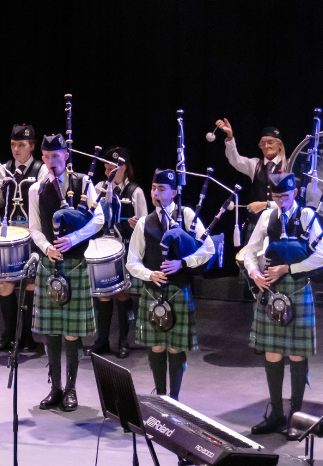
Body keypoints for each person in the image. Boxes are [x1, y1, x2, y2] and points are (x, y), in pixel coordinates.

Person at [240, 174, 323, 435]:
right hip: (270, 287)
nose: (281, 202)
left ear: (296, 192)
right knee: (272, 352)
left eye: (285, 196)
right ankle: (277, 415)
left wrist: (289, 268)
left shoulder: (307, 217)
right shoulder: (268, 217)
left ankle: (297, 418)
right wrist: (254, 273)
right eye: (276, 197)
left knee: (296, 354)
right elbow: (251, 250)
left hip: (297, 287)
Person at [27, 135, 104, 412]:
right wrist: (47, 247)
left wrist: (74, 239)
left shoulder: (83, 183)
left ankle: (71, 389)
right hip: (50, 264)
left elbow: (99, 219)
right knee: (51, 332)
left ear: (66, 155)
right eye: (46, 157)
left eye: (55, 157)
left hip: (74, 263)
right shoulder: (36, 189)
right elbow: (34, 227)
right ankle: (55, 388)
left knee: (72, 333)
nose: (50, 163)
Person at [126, 169, 215, 400]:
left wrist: (182, 263)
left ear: (174, 192)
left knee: (175, 347)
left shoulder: (187, 216)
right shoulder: (144, 222)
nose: (155, 193)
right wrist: (149, 274)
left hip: (178, 290)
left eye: (162, 189)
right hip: (152, 290)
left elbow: (208, 249)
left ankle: (174, 398)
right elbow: (132, 261)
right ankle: (161, 396)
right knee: (156, 347)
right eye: (154, 188)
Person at [0, 124, 44, 355]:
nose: (16, 149)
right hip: (10, 231)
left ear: (32, 146)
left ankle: (27, 336)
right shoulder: (5, 169)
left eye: (21, 145)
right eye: (13, 144)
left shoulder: (41, 170)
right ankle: (9, 336)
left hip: (33, 233)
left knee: (30, 283)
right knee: (4, 282)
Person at [91, 146, 148, 358]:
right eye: (106, 169)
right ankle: (102, 341)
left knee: (122, 294)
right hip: (104, 250)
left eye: (112, 169)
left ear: (123, 167)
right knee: (104, 294)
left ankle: (124, 341)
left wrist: (138, 224)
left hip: (126, 249)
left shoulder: (136, 192)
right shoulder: (97, 189)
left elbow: (146, 223)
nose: (108, 173)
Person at [217, 120, 290, 226]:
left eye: (270, 142)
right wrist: (229, 136)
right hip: (256, 222)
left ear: (280, 145)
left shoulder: (289, 166)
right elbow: (235, 160)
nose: (266, 146)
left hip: (280, 223)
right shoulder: (256, 164)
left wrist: (265, 205)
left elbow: (290, 200)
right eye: (263, 143)